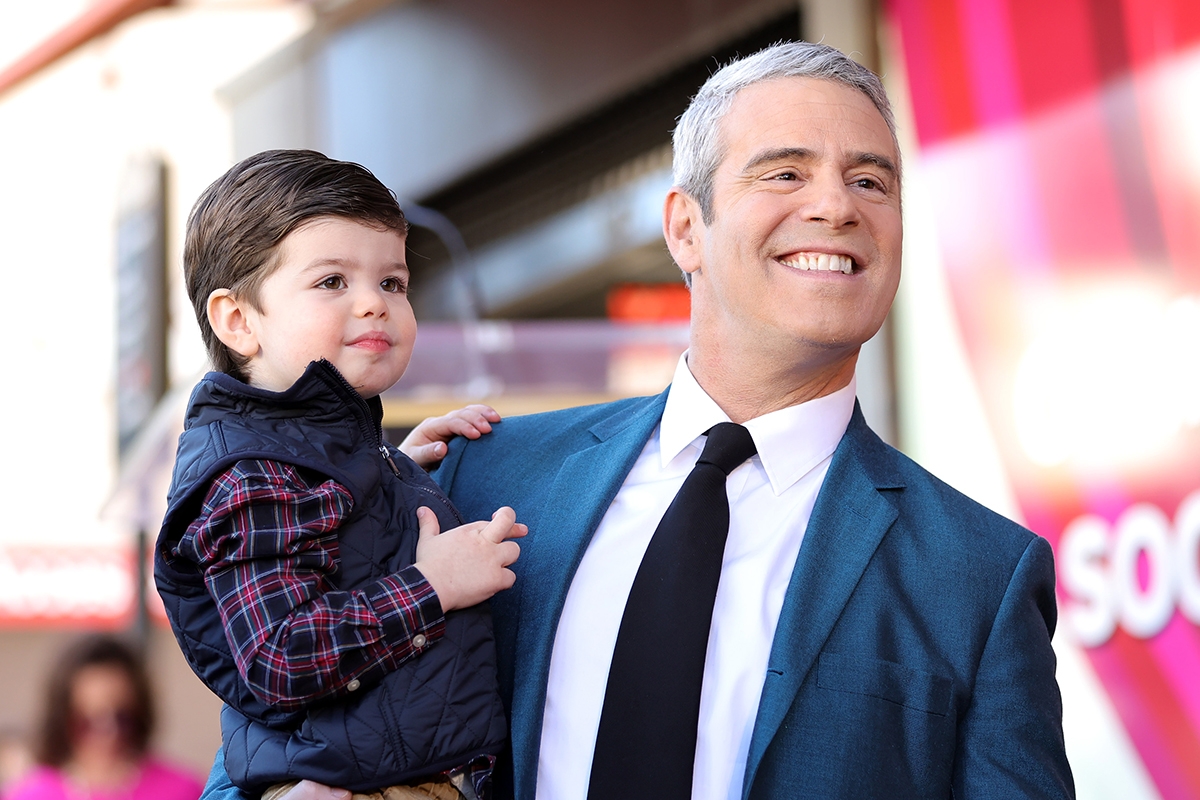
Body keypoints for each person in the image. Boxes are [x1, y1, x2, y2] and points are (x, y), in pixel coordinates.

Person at [200, 41, 1074, 800]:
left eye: (871, 180)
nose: (836, 206)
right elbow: (271, 723)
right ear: (685, 228)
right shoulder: (483, 477)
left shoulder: (980, 578)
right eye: (785, 171)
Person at [154, 150, 525, 800]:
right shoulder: (252, 474)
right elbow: (280, 654)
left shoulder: (310, 453)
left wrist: (397, 469)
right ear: (238, 321)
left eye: (393, 283)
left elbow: (338, 550)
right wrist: (431, 585)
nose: (373, 304)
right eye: (332, 282)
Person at [5, 634, 204, 800]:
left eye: (122, 718)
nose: (108, 732)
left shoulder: (183, 790)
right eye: (87, 722)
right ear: (62, 718)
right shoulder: (30, 794)